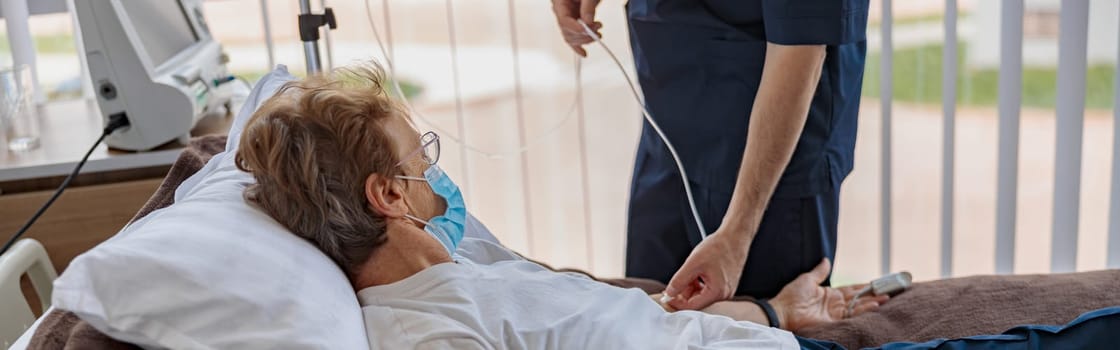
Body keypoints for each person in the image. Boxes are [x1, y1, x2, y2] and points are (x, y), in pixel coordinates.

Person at [233, 65, 1120, 350]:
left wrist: (776, 312)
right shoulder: (432, 332)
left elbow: (626, 330)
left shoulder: (471, 271)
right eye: (418, 160)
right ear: (389, 198)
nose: (440, 176)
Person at [551, 0, 871, 310]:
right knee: (644, 317)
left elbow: (800, 48)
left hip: (767, 172)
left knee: (754, 330)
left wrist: (738, 232)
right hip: (668, 135)